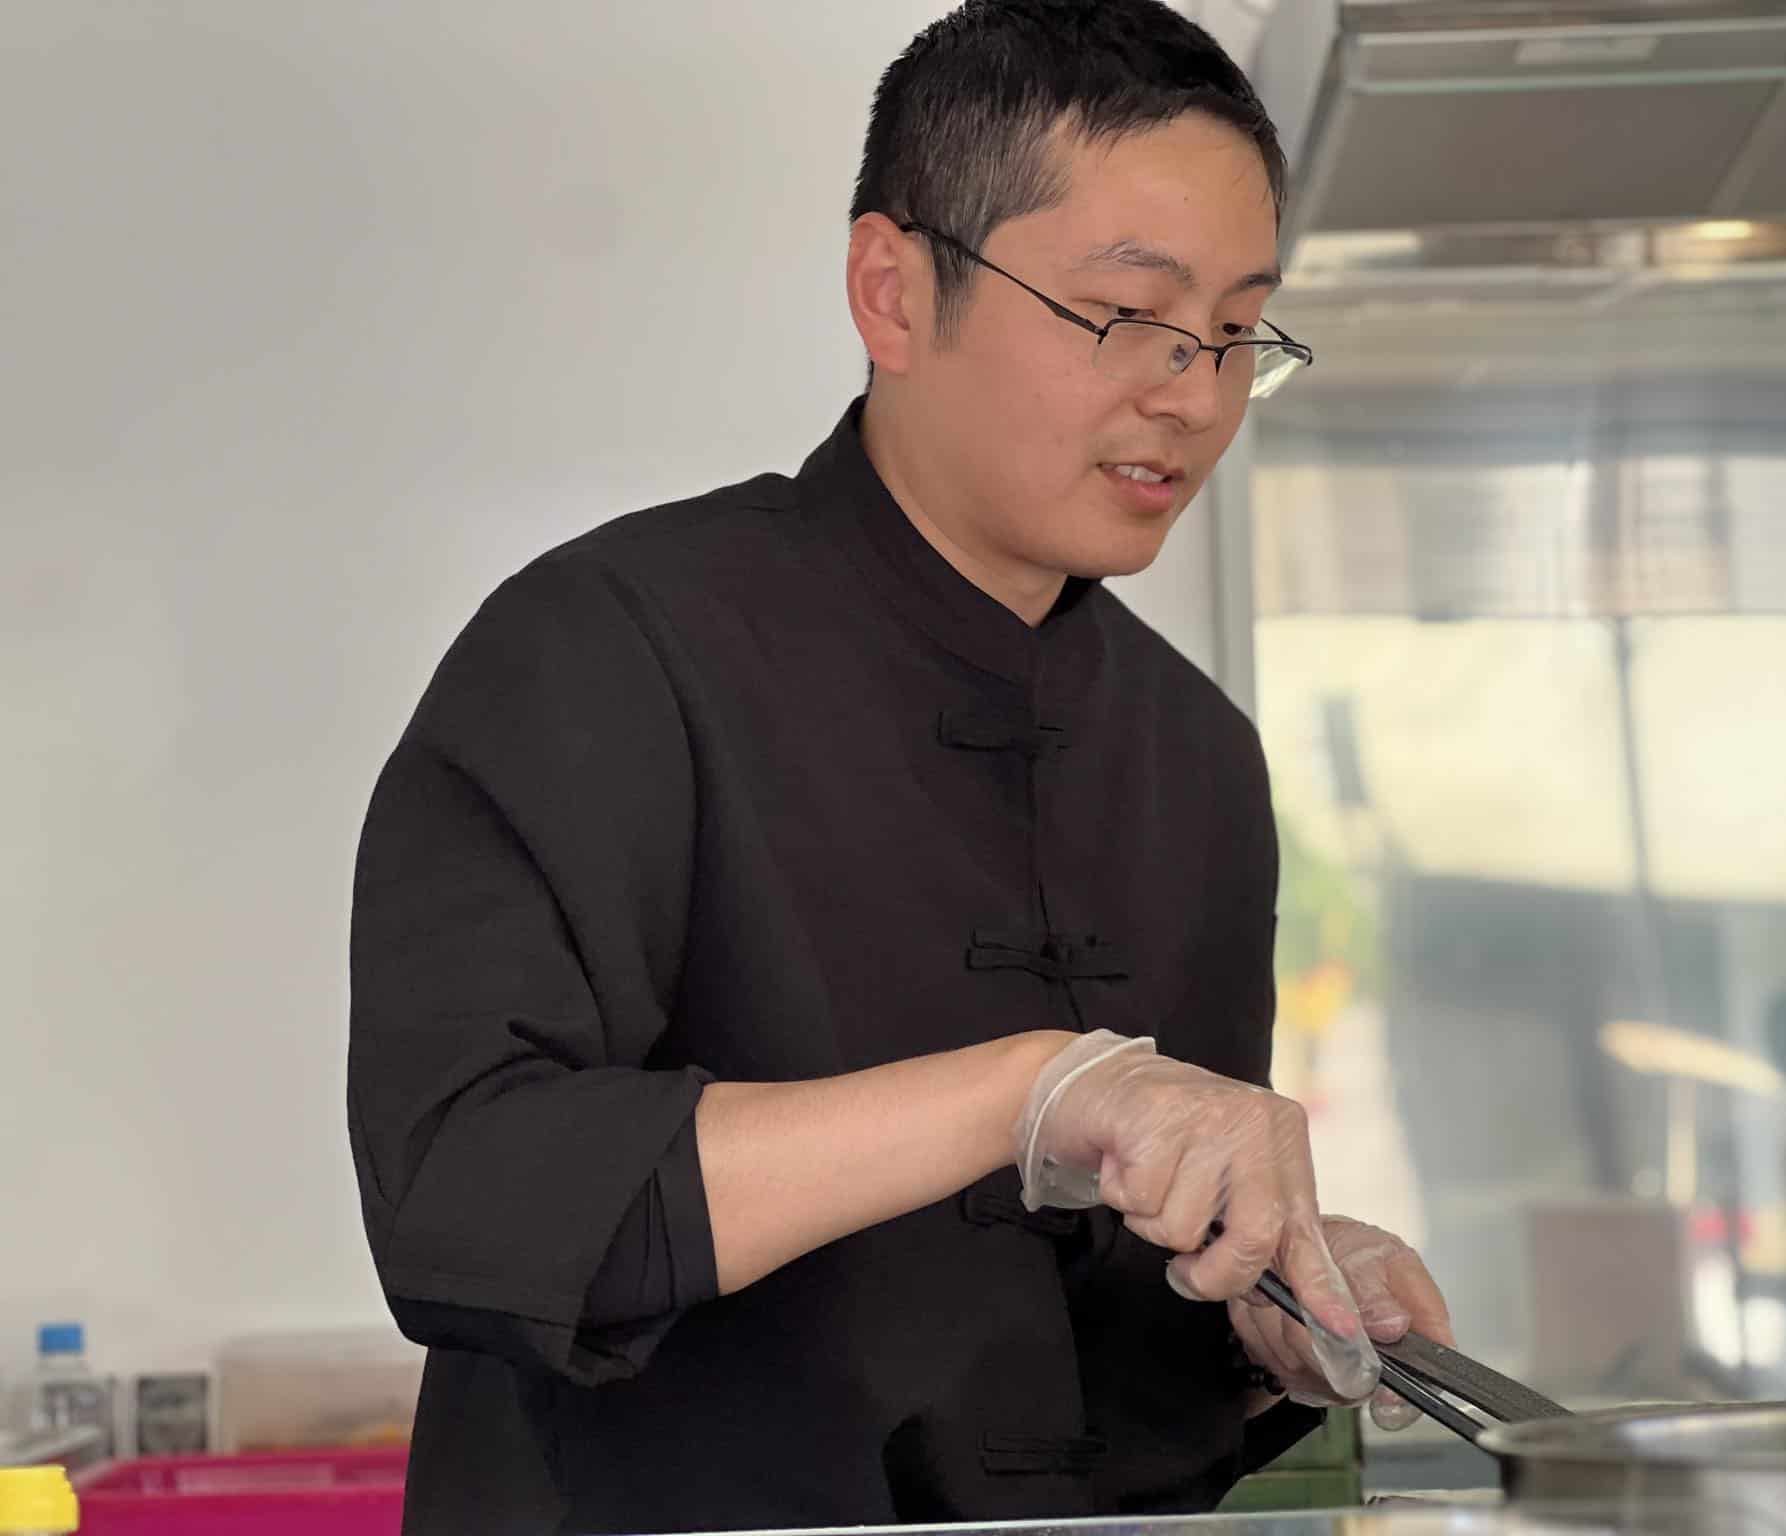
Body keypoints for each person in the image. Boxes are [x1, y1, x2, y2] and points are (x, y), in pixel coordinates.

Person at [346, 5, 1452, 1533]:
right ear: (894, 291)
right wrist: (1023, 1093)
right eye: (1127, 314)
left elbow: (1122, 1348)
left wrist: (1272, 1309)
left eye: (1234, 330)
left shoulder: (1195, 754)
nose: (1193, 395)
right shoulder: (604, 651)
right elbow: (464, 1197)